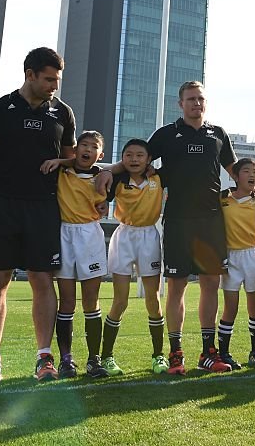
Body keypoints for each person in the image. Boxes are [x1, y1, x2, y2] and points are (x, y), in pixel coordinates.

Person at [97, 81, 237, 375]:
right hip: (178, 220)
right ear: (180, 104)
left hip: (211, 220)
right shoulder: (166, 134)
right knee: (177, 286)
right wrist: (105, 172)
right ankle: (175, 353)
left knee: (211, 284)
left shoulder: (218, 134)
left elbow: (235, 170)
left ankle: (208, 352)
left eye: (200, 99)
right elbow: (135, 160)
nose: (196, 104)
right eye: (190, 99)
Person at [0, 47, 77, 384]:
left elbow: (73, 159)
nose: (54, 86)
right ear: (30, 74)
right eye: (49, 79)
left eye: (57, 80)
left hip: (45, 206)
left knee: (42, 280)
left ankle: (44, 358)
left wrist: (62, 163)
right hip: (2, 203)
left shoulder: (63, 113)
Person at [40, 131, 110, 379]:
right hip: (63, 234)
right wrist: (61, 161)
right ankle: (66, 361)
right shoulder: (62, 171)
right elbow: (65, 162)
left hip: (90, 236)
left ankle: (94, 360)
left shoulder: (102, 176)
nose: (87, 149)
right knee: (67, 301)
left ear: (100, 155)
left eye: (93, 146)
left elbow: (123, 169)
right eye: (84, 145)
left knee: (91, 301)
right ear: (76, 148)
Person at [101, 139, 167, 375]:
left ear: (149, 159)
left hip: (149, 236)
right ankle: (106, 357)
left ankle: (158, 355)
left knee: (153, 300)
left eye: (140, 155)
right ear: (122, 159)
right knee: (120, 301)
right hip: (124, 236)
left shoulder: (159, 178)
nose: (135, 159)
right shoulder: (117, 179)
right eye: (129, 155)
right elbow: (99, 175)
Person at [218, 158, 255, 369]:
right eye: (247, 171)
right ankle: (224, 353)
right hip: (230, 257)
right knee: (231, 308)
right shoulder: (222, 198)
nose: (253, 175)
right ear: (235, 176)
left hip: (253, 256)